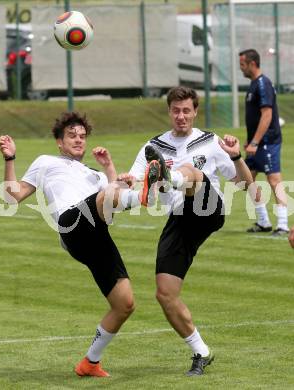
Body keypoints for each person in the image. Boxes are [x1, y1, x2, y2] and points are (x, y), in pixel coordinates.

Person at [0, 111, 161, 378]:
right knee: (107, 195)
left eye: (82, 136)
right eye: (72, 135)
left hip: (96, 233)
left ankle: (90, 363)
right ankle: (145, 198)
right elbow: (11, 197)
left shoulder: (94, 175)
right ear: (59, 142)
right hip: (71, 224)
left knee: (125, 304)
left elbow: (111, 202)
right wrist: (9, 158)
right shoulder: (46, 162)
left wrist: (110, 168)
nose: (78, 140)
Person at [118, 86, 254, 376]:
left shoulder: (210, 141)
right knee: (165, 294)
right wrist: (125, 179)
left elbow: (246, 186)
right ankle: (201, 352)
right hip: (179, 219)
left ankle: (171, 176)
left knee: (191, 172)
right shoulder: (153, 145)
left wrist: (236, 156)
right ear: (169, 112)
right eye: (176, 110)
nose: (181, 116)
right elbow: (134, 181)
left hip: (208, 210)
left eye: (187, 111)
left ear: (195, 112)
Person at [239, 48, 289, 236]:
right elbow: (254, 118)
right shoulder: (253, 84)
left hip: (267, 142)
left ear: (252, 64)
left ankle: (283, 225)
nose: (240, 69)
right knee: (245, 181)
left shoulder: (263, 84)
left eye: (242, 65)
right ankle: (263, 221)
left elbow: (267, 115)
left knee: (274, 180)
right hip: (256, 143)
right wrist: (249, 141)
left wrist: (256, 142)